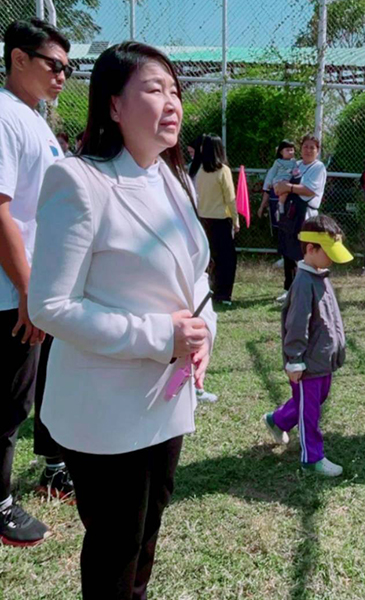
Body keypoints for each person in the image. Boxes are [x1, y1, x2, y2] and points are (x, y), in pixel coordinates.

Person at [28, 41, 217, 599]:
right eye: (154, 89)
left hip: (166, 399)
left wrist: (204, 335)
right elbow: (51, 306)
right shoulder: (79, 181)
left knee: (147, 531)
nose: (172, 102)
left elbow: (195, 275)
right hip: (106, 409)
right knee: (116, 542)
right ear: (113, 105)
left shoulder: (173, 179)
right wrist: (162, 336)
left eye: (175, 90)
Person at [0, 18, 71, 546]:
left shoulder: (34, 119)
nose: (62, 75)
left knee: (39, 389)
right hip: (13, 291)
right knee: (8, 403)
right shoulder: (5, 115)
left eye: (68, 67)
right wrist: (26, 290)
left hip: (36, 289)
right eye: (54, 64)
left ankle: (53, 468)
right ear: (18, 58)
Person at [262, 214, 352, 477]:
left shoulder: (321, 276)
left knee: (315, 400)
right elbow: (296, 325)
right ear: (311, 249)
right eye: (328, 252)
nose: (332, 259)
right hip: (307, 364)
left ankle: (277, 420)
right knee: (310, 413)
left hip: (322, 361)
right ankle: (312, 458)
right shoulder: (303, 283)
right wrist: (295, 360)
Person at [272, 134, 327, 302]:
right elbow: (279, 182)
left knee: (304, 252)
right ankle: (289, 288)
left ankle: (306, 289)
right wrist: (279, 186)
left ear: (317, 151)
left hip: (306, 214)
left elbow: (310, 190)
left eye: (312, 147)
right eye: (305, 147)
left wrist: (288, 187)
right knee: (288, 251)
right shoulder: (295, 165)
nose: (308, 150)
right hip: (289, 211)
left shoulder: (318, 168)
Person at [196, 134, 239, 306]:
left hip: (203, 218)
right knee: (227, 259)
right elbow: (230, 198)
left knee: (209, 257)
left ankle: (208, 290)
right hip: (221, 219)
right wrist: (236, 219)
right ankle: (223, 295)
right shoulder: (223, 170)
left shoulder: (200, 170)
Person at [258, 139, 300, 222]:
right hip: (279, 182)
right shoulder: (278, 162)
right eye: (287, 150)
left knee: (285, 191)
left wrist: (296, 173)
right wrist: (269, 184)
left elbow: (296, 171)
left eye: (291, 150)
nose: (290, 152)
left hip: (288, 184)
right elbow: (271, 175)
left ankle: (280, 207)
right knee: (284, 190)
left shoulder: (295, 162)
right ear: (281, 152)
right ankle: (280, 206)